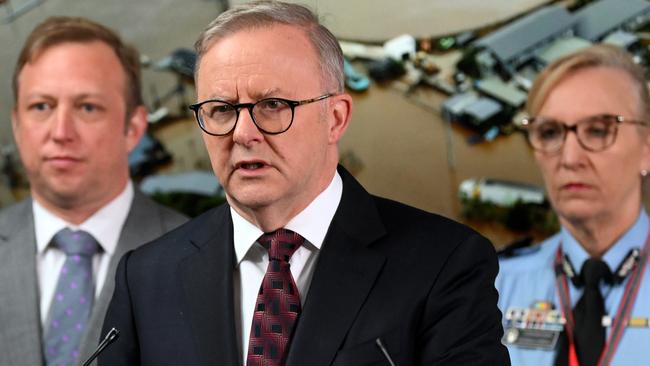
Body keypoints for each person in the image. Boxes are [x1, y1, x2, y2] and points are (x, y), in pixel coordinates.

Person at [101, 2, 509, 365]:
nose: (243, 133)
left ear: (335, 118)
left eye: (272, 105)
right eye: (221, 109)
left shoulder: (445, 263)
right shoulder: (146, 278)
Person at [0, 17, 187, 366]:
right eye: (41, 106)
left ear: (133, 128)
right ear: (16, 124)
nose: (61, 132)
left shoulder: (201, 259)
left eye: (87, 107)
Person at [497, 44, 650, 365]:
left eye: (597, 130)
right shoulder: (493, 288)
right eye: (550, 132)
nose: (569, 158)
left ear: (646, 148)